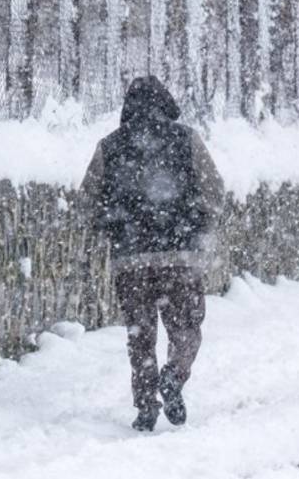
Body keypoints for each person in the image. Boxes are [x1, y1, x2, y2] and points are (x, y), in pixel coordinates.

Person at [81, 76, 224, 432]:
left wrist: (112, 223)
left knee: (140, 335)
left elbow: (87, 200)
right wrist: (199, 222)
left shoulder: (110, 146)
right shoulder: (186, 139)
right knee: (187, 328)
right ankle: (174, 376)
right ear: (166, 102)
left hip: (131, 260)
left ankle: (146, 406)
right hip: (181, 256)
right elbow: (214, 189)